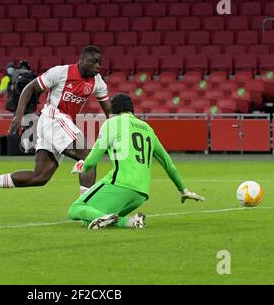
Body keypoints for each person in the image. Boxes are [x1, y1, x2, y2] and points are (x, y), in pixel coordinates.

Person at [0, 45, 111, 206]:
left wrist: (119, 126)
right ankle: (86, 206)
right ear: (81, 60)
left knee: (40, 177)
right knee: (88, 157)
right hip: (53, 118)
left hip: (60, 123)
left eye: (99, 63)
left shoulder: (97, 82)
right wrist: (19, 115)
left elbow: (108, 108)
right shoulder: (61, 72)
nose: (97, 66)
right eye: (93, 62)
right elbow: (30, 88)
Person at [67, 93, 205, 229]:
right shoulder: (147, 128)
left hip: (120, 184)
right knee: (90, 219)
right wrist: (183, 190)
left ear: (113, 110)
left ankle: (109, 218)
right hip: (141, 193)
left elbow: (92, 161)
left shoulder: (112, 123)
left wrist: (81, 167)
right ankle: (131, 222)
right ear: (132, 109)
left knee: (76, 209)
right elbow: (168, 164)